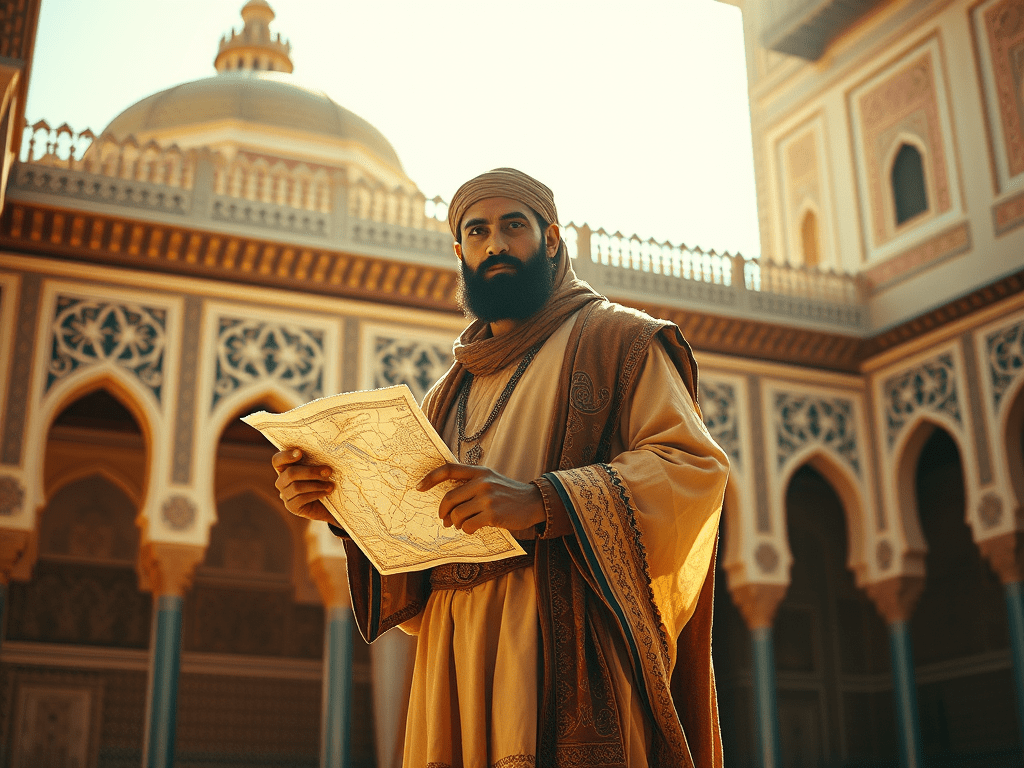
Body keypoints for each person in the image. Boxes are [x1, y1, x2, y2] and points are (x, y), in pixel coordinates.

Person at [273, 168, 730, 768]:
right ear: (459, 252)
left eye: (514, 226)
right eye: (478, 231)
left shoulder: (618, 341)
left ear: (553, 239)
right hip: (453, 660)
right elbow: (419, 535)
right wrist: (338, 506)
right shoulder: (446, 395)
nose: (496, 245)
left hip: (566, 656)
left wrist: (544, 502)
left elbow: (691, 468)